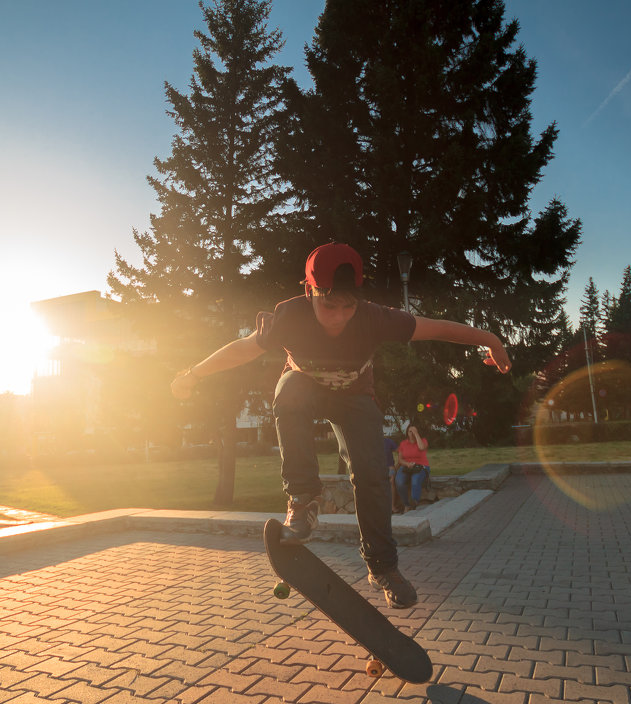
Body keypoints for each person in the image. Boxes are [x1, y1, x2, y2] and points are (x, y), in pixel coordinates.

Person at [170, 242, 510, 609]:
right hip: (304, 387)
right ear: (308, 291)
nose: (339, 317)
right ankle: (303, 499)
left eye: (348, 307)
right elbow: (242, 348)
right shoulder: (289, 316)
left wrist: (489, 339)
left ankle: (383, 567)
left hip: (355, 398)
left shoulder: (374, 318)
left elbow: (436, 328)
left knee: (372, 474)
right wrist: (192, 373)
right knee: (288, 395)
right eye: (329, 305)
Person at [394, 424, 430, 511]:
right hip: (407, 466)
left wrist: (416, 434)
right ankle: (406, 504)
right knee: (399, 482)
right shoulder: (403, 443)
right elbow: (400, 459)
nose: (412, 433)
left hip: (421, 466)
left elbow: (421, 447)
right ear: (407, 432)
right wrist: (407, 464)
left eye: (414, 431)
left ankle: (414, 503)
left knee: (415, 481)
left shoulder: (423, 441)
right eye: (410, 431)